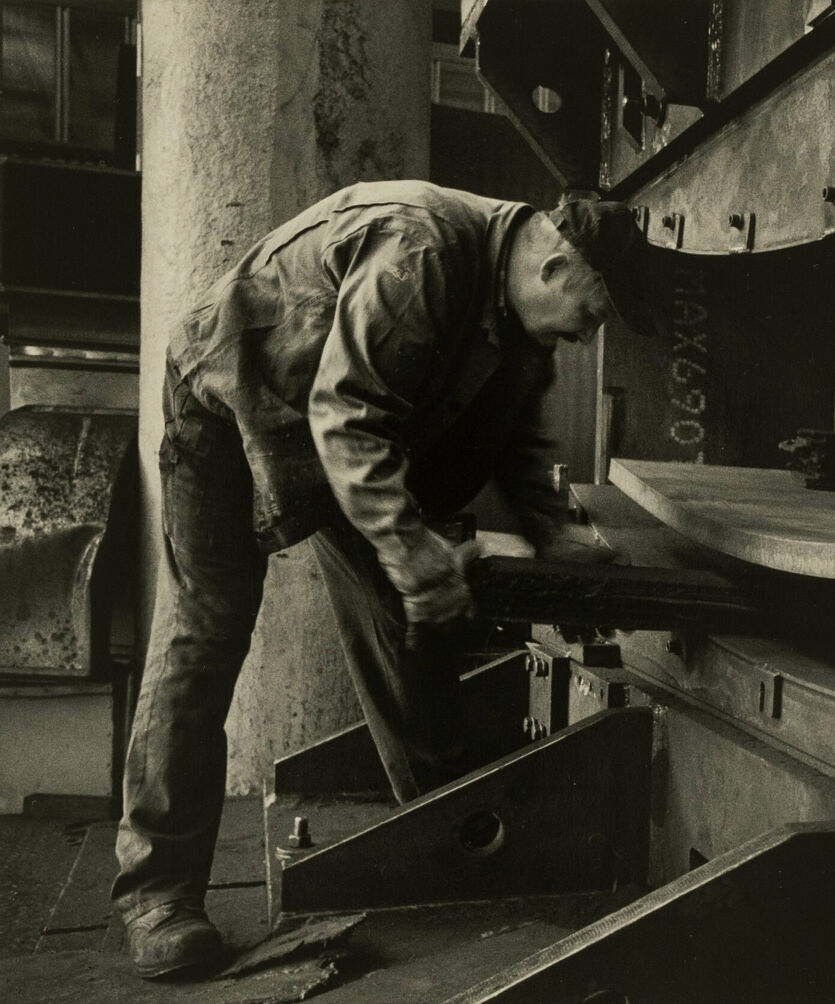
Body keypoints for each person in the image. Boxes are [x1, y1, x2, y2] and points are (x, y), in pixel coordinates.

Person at [113, 181, 665, 979]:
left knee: (412, 618)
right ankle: (156, 895)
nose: (590, 333)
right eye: (595, 312)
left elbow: (516, 434)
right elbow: (348, 411)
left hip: (339, 442)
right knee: (207, 633)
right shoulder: (424, 252)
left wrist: (555, 532)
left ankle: (446, 835)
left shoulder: (519, 318)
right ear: (553, 267)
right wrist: (410, 549)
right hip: (231, 404)